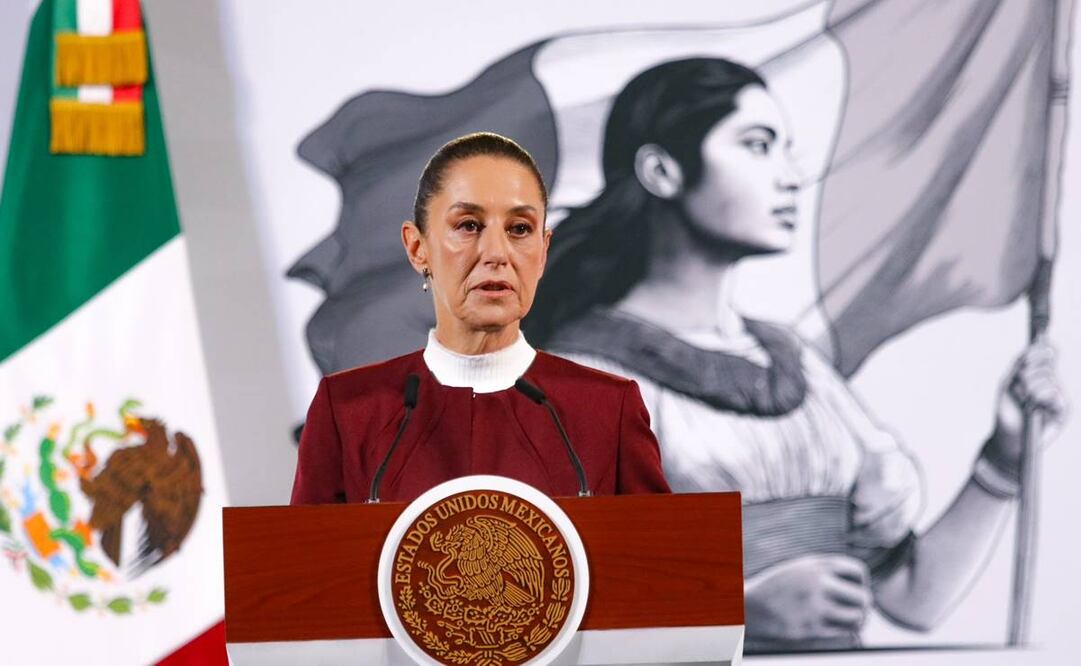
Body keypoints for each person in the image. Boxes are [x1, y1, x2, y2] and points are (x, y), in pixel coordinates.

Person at [524, 58, 1066, 651]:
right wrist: (737, 611)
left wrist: (1005, 457)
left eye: (786, 150)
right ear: (662, 171)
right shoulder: (581, 381)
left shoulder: (798, 366)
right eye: (757, 146)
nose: (789, 177)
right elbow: (540, 612)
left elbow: (914, 597)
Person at [291, 132, 670, 505]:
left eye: (519, 229)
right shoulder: (348, 411)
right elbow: (309, 546)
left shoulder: (607, 409)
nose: (496, 253)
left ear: (543, 251)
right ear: (418, 248)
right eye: (468, 225)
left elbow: (659, 545)